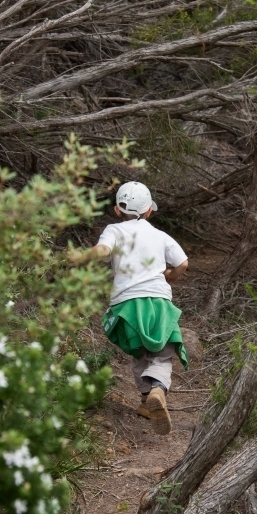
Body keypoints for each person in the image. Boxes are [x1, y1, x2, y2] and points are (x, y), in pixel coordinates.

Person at [87, 181, 189, 435]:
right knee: (162, 354)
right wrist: (170, 275)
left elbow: (103, 250)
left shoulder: (114, 230)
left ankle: (146, 401)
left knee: (139, 352)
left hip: (127, 305)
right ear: (149, 211)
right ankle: (157, 390)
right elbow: (183, 263)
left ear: (117, 210)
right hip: (158, 304)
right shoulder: (160, 235)